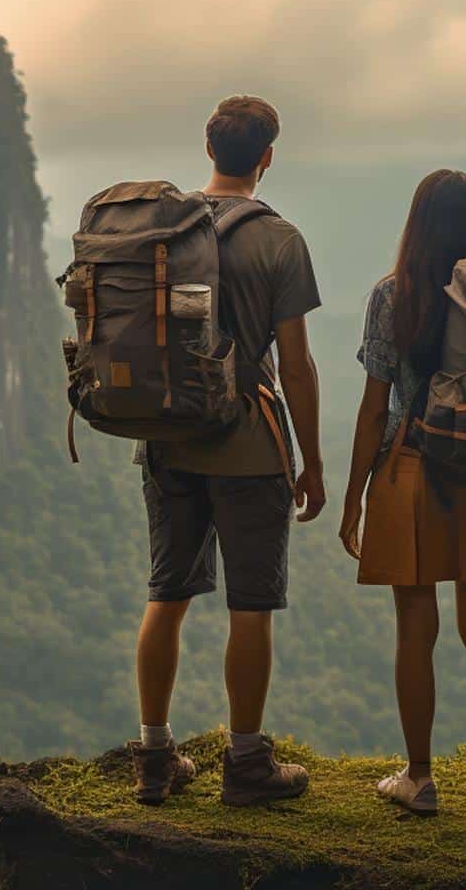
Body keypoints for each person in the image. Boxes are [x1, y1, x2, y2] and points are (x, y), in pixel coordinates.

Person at [130, 95, 329, 807]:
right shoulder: (279, 241)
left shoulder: (164, 228)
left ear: (209, 150)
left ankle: (155, 755)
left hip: (169, 438)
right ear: (267, 157)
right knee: (251, 605)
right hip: (249, 445)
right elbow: (298, 366)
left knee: (167, 594)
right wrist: (312, 461)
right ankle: (245, 765)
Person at [338, 170, 466, 817]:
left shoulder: (395, 295)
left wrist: (354, 496)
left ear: (415, 223)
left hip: (411, 468)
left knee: (415, 626)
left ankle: (418, 778)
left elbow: (372, 409)